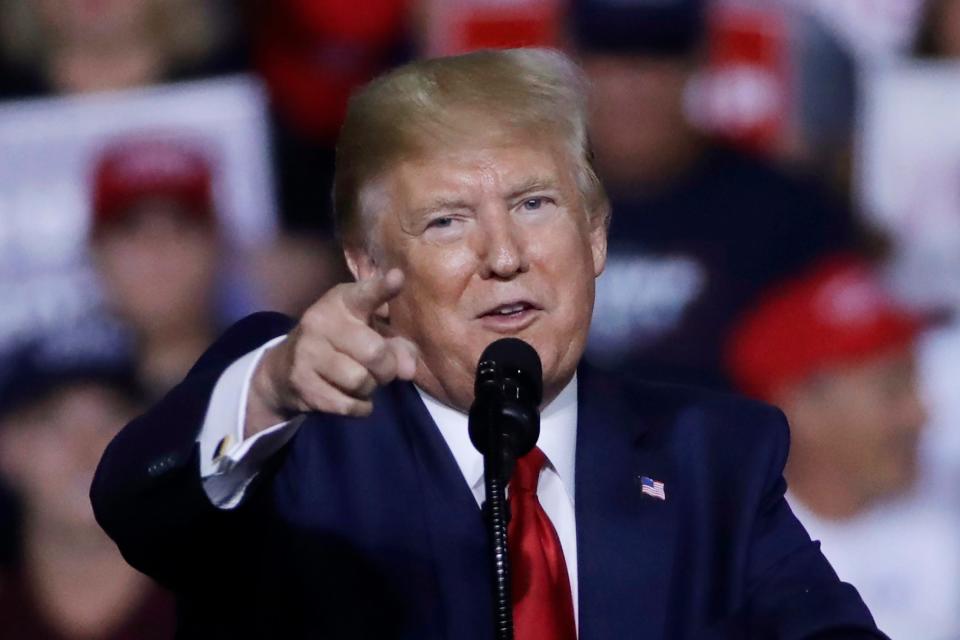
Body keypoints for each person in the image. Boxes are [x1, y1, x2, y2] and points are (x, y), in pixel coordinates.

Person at [91, 48, 885, 638]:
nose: (503, 254)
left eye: (535, 204)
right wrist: (269, 389)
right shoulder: (292, 439)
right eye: (446, 220)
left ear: (596, 237)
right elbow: (134, 509)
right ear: (370, 264)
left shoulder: (711, 455)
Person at [572, 0, 859, 389]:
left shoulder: (787, 212)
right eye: (610, 54)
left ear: (701, 60)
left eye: (662, 54)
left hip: (735, 445)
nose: (635, 82)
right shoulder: (517, 206)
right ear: (571, 62)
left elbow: (840, 376)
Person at [726, 254, 960, 639]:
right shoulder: (729, 559)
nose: (921, 414)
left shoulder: (946, 505)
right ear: (802, 409)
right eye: (893, 390)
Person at [0, 322, 175, 639]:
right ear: (8, 447)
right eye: (53, 421)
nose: (85, 448)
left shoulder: (226, 605)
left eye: (109, 417)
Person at [89, 135, 225, 401]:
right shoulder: (47, 401)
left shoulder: (278, 377)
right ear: (96, 251)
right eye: (131, 228)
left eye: (181, 226)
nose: (157, 250)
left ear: (217, 245)